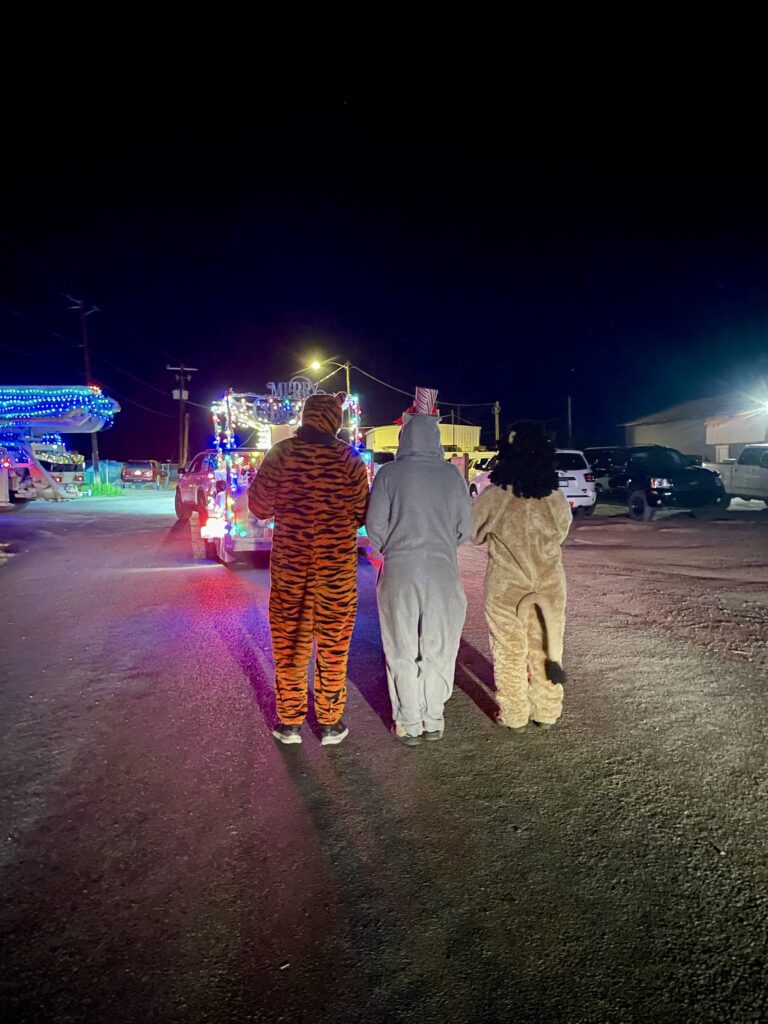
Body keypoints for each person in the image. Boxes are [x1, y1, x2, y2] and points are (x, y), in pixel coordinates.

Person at [248, 392, 370, 746]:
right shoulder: (349, 459)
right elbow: (364, 512)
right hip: (336, 571)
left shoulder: (281, 454)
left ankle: (289, 722)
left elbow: (259, 507)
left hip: (291, 569)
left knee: (289, 646)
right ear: (335, 420)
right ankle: (331, 723)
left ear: (305, 417)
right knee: (333, 647)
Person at [366, 388, 472, 745]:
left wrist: (394, 550)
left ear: (403, 436)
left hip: (399, 571)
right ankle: (434, 717)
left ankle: (409, 721)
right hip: (443, 572)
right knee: (439, 646)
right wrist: (440, 546)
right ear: (437, 438)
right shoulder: (451, 476)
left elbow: (374, 528)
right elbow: (464, 529)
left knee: (400, 647)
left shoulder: (388, 475)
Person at [472, 421, 571, 730]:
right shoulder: (555, 497)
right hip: (549, 583)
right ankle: (547, 710)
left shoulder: (494, 496)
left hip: (506, 585)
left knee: (509, 651)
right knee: (547, 648)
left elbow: (474, 533)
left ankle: (514, 713)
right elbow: (562, 532)